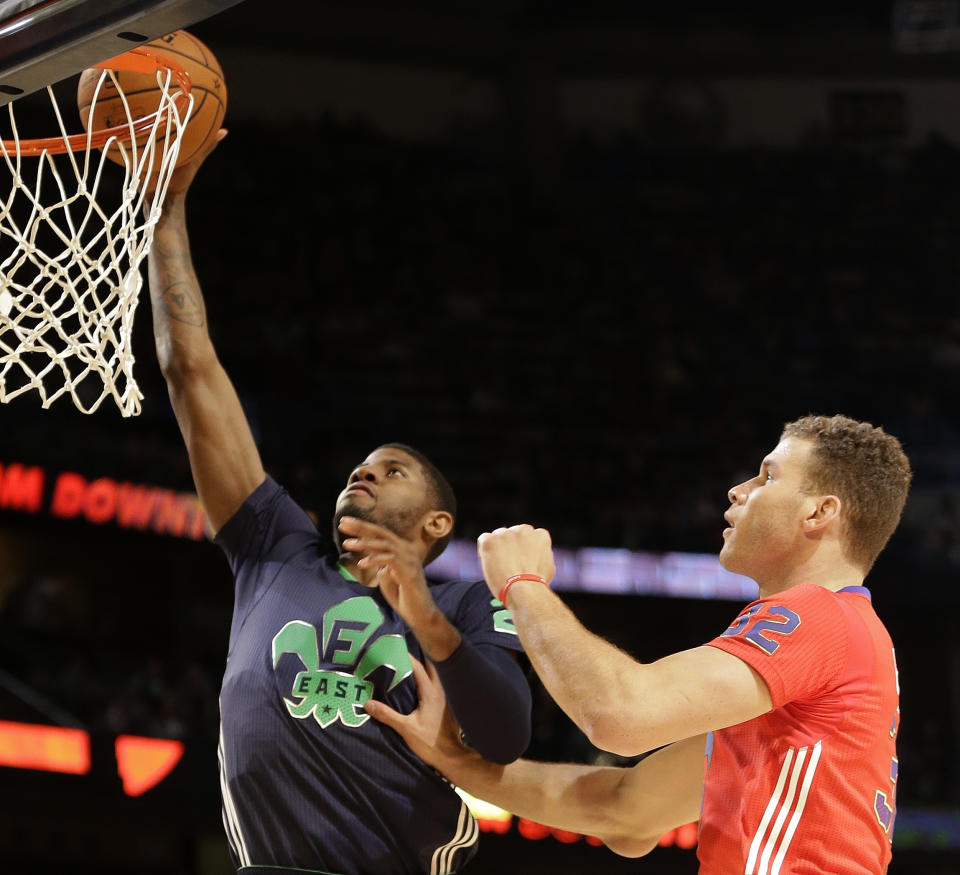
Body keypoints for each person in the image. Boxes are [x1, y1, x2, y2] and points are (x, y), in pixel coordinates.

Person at [145, 134, 531, 875]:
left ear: (436, 523)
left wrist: (424, 618)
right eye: (359, 466)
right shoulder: (275, 546)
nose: (364, 473)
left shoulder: (469, 602)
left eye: (391, 469)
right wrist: (166, 209)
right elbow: (189, 370)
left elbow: (507, 732)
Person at [364, 415, 910, 873]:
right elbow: (626, 810)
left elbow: (619, 716)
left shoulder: (819, 614)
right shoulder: (818, 667)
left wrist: (521, 585)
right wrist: (453, 759)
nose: (738, 490)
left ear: (819, 513)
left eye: (767, 477)